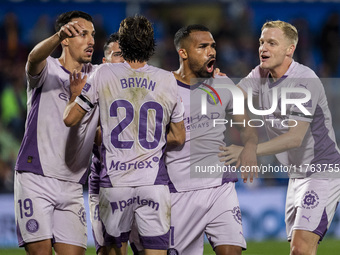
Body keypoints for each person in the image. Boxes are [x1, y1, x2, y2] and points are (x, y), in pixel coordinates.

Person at [63, 15, 185, 255]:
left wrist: (75, 95)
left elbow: (70, 119)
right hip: (154, 183)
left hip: (115, 183)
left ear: (124, 44)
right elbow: (179, 137)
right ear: (152, 44)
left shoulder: (103, 75)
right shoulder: (167, 80)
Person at [219, 20, 340, 255]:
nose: (263, 48)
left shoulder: (304, 81)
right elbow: (235, 96)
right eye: (261, 42)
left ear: (290, 49)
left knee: (301, 248)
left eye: (272, 43)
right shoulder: (261, 73)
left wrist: (250, 150)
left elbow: (294, 138)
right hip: (296, 174)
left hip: (321, 170)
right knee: (301, 249)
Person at [166, 24, 258, 255]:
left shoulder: (224, 85)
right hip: (178, 191)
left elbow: (247, 128)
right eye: (203, 46)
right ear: (183, 53)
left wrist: (250, 148)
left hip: (220, 187)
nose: (212, 52)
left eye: (213, 46)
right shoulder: (163, 87)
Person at [14, 11, 98, 255]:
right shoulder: (47, 68)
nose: (91, 40)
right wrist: (56, 34)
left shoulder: (97, 77)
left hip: (72, 183)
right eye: (83, 34)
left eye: (92, 35)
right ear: (65, 39)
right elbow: (33, 57)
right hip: (36, 176)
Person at [88, 32, 124, 255]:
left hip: (141, 180)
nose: (123, 60)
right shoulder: (93, 86)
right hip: (105, 178)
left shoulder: (147, 85)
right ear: (105, 61)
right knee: (108, 250)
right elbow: (94, 136)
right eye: (118, 54)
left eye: (126, 55)